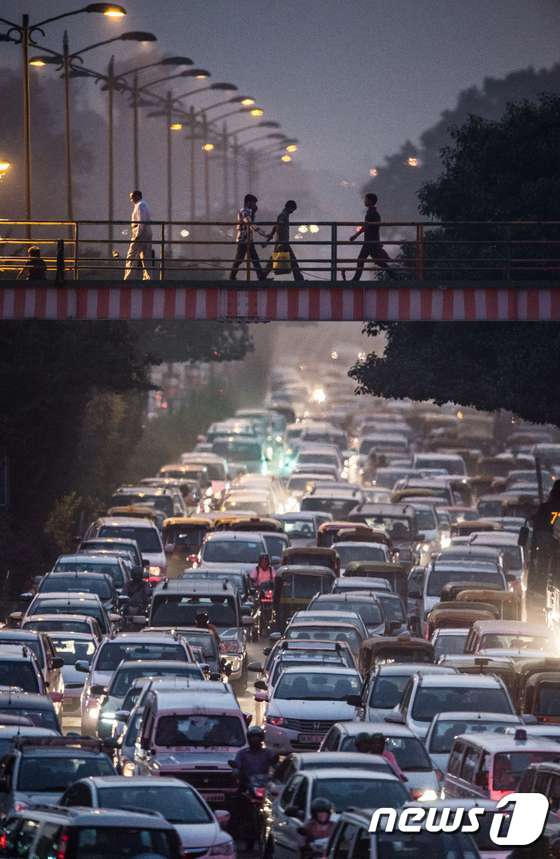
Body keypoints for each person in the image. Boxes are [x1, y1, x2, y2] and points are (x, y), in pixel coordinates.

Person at [233, 726, 278, 852]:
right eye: (253, 737)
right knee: (237, 804)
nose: (255, 740)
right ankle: (238, 831)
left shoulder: (268, 753)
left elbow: (276, 766)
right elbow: (236, 767)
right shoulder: (242, 753)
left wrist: (277, 769)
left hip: (263, 786)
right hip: (247, 786)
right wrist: (236, 772)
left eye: (257, 737)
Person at [344, 192, 394, 280]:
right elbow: (367, 226)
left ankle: (355, 279)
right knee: (373, 260)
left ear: (370, 201)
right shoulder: (373, 212)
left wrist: (355, 235)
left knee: (365, 260)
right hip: (370, 241)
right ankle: (394, 276)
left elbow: (366, 226)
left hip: (370, 241)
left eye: (366, 199)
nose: (365, 201)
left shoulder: (372, 213)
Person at [229, 194, 268, 280]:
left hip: (248, 239)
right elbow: (250, 224)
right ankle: (232, 276)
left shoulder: (248, 211)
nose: (255, 205)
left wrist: (253, 213)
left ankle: (261, 277)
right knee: (240, 258)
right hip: (243, 238)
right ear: (249, 202)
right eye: (254, 203)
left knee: (253, 258)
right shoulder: (244, 211)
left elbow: (250, 223)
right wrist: (264, 233)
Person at [263, 200, 303, 281]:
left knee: (275, 260)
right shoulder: (283, 216)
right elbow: (278, 227)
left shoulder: (284, 215)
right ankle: (299, 279)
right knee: (290, 261)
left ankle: (262, 276)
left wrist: (268, 240)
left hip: (283, 242)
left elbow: (275, 227)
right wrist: (280, 241)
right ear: (289, 207)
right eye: (292, 209)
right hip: (282, 242)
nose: (292, 212)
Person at [124, 190, 153, 280]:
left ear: (137, 196)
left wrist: (137, 234)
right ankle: (148, 277)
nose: (131, 200)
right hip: (147, 231)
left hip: (140, 232)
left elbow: (141, 220)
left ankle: (128, 277)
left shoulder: (140, 206)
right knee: (145, 256)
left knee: (132, 255)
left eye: (132, 197)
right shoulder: (144, 204)